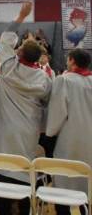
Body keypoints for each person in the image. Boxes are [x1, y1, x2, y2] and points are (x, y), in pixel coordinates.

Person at [0, 2, 52, 215]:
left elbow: (6, 38)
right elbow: (47, 102)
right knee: (23, 168)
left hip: (5, 128)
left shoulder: (8, 67)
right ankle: (24, 209)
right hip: (28, 129)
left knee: (3, 168)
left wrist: (21, 16)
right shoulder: (44, 78)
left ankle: (4, 210)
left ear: (19, 53)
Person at [46, 49, 92, 215]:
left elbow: (58, 112)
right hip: (89, 140)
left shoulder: (64, 80)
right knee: (85, 181)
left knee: (65, 180)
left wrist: (50, 131)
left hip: (70, 138)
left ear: (72, 61)